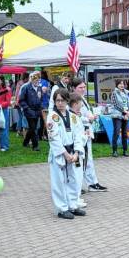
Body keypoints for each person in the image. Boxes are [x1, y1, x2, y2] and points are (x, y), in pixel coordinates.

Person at [47, 88, 85, 219]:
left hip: (72, 153)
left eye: (62, 100)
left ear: (67, 101)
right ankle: (62, 209)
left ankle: (73, 205)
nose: (60, 103)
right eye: (57, 100)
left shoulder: (73, 117)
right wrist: (65, 154)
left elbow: (78, 136)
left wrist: (76, 153)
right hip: (60, 154)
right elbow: (54, 138)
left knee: (74, 180)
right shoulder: (52, 117)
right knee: (59, 181)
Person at [70, 78, 107, 192]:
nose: (83, 89)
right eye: (80, 87)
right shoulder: (72, 100)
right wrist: (88, 118)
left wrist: (91, 116)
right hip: (79, 133)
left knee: (88, 159)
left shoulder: (83, 99)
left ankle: (91, 182)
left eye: (84, 87)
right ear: (74, 88)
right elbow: (75, 116)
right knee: (80, 160)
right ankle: (78, 185)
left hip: (86, 132)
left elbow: (86, 112)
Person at [68, 93, 88, 209]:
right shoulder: (73, 117)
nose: (81, 105)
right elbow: (77, 136)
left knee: (78, 175)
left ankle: (76, 197)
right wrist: (85, 136)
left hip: (78, 149)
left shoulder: (74, 116)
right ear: (75, 104)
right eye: (80, 103)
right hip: (76, 151)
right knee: (76, 175)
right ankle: (74, 198)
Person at [19, 71, 43, 151]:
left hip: (37, 111)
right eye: (35, 80)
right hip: (29, 111)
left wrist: (40, 108)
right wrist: (27, 108)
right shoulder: (26, 87)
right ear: (32, 80)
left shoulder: (39, 88)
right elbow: (21, 100)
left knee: (32, 128)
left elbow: (41, 98)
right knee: (33, 128)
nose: (37, 82)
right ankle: (35, 145)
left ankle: (25, 142)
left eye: (38, 81)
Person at [110, 79, 129, 157]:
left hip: (125, 115)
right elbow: (115, 105)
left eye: (123, 84)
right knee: (116, 132)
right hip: (117, 115)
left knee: (125, 134)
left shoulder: (126, 93)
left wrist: (128, 112)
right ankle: (114, 151)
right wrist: (124, 112)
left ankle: (125, 150)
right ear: (117, 85)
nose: (122, 85)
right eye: (120, 84)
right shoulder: (114, 93)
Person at [14, 72, 29, 137]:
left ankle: (18, 131)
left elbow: (16, 93)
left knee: (20, 117)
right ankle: (21, 131)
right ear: (26, 78)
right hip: (21, 102)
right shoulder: (24, 84)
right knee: (22, 117)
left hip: (17, 102)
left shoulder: (19, 83)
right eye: (28, 78)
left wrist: (15, 101)